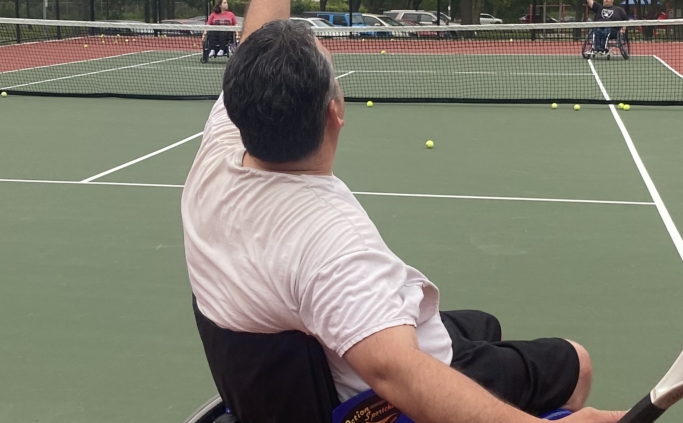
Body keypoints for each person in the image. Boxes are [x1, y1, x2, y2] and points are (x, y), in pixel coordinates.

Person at [180, 0, 627, 421]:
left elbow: (260, 31)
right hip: (373, 400)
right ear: (335, 112)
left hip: (297, 361)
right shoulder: (330, 243)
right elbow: (399, 373)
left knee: (487, 325)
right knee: (575, 361)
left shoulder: (221, 145)